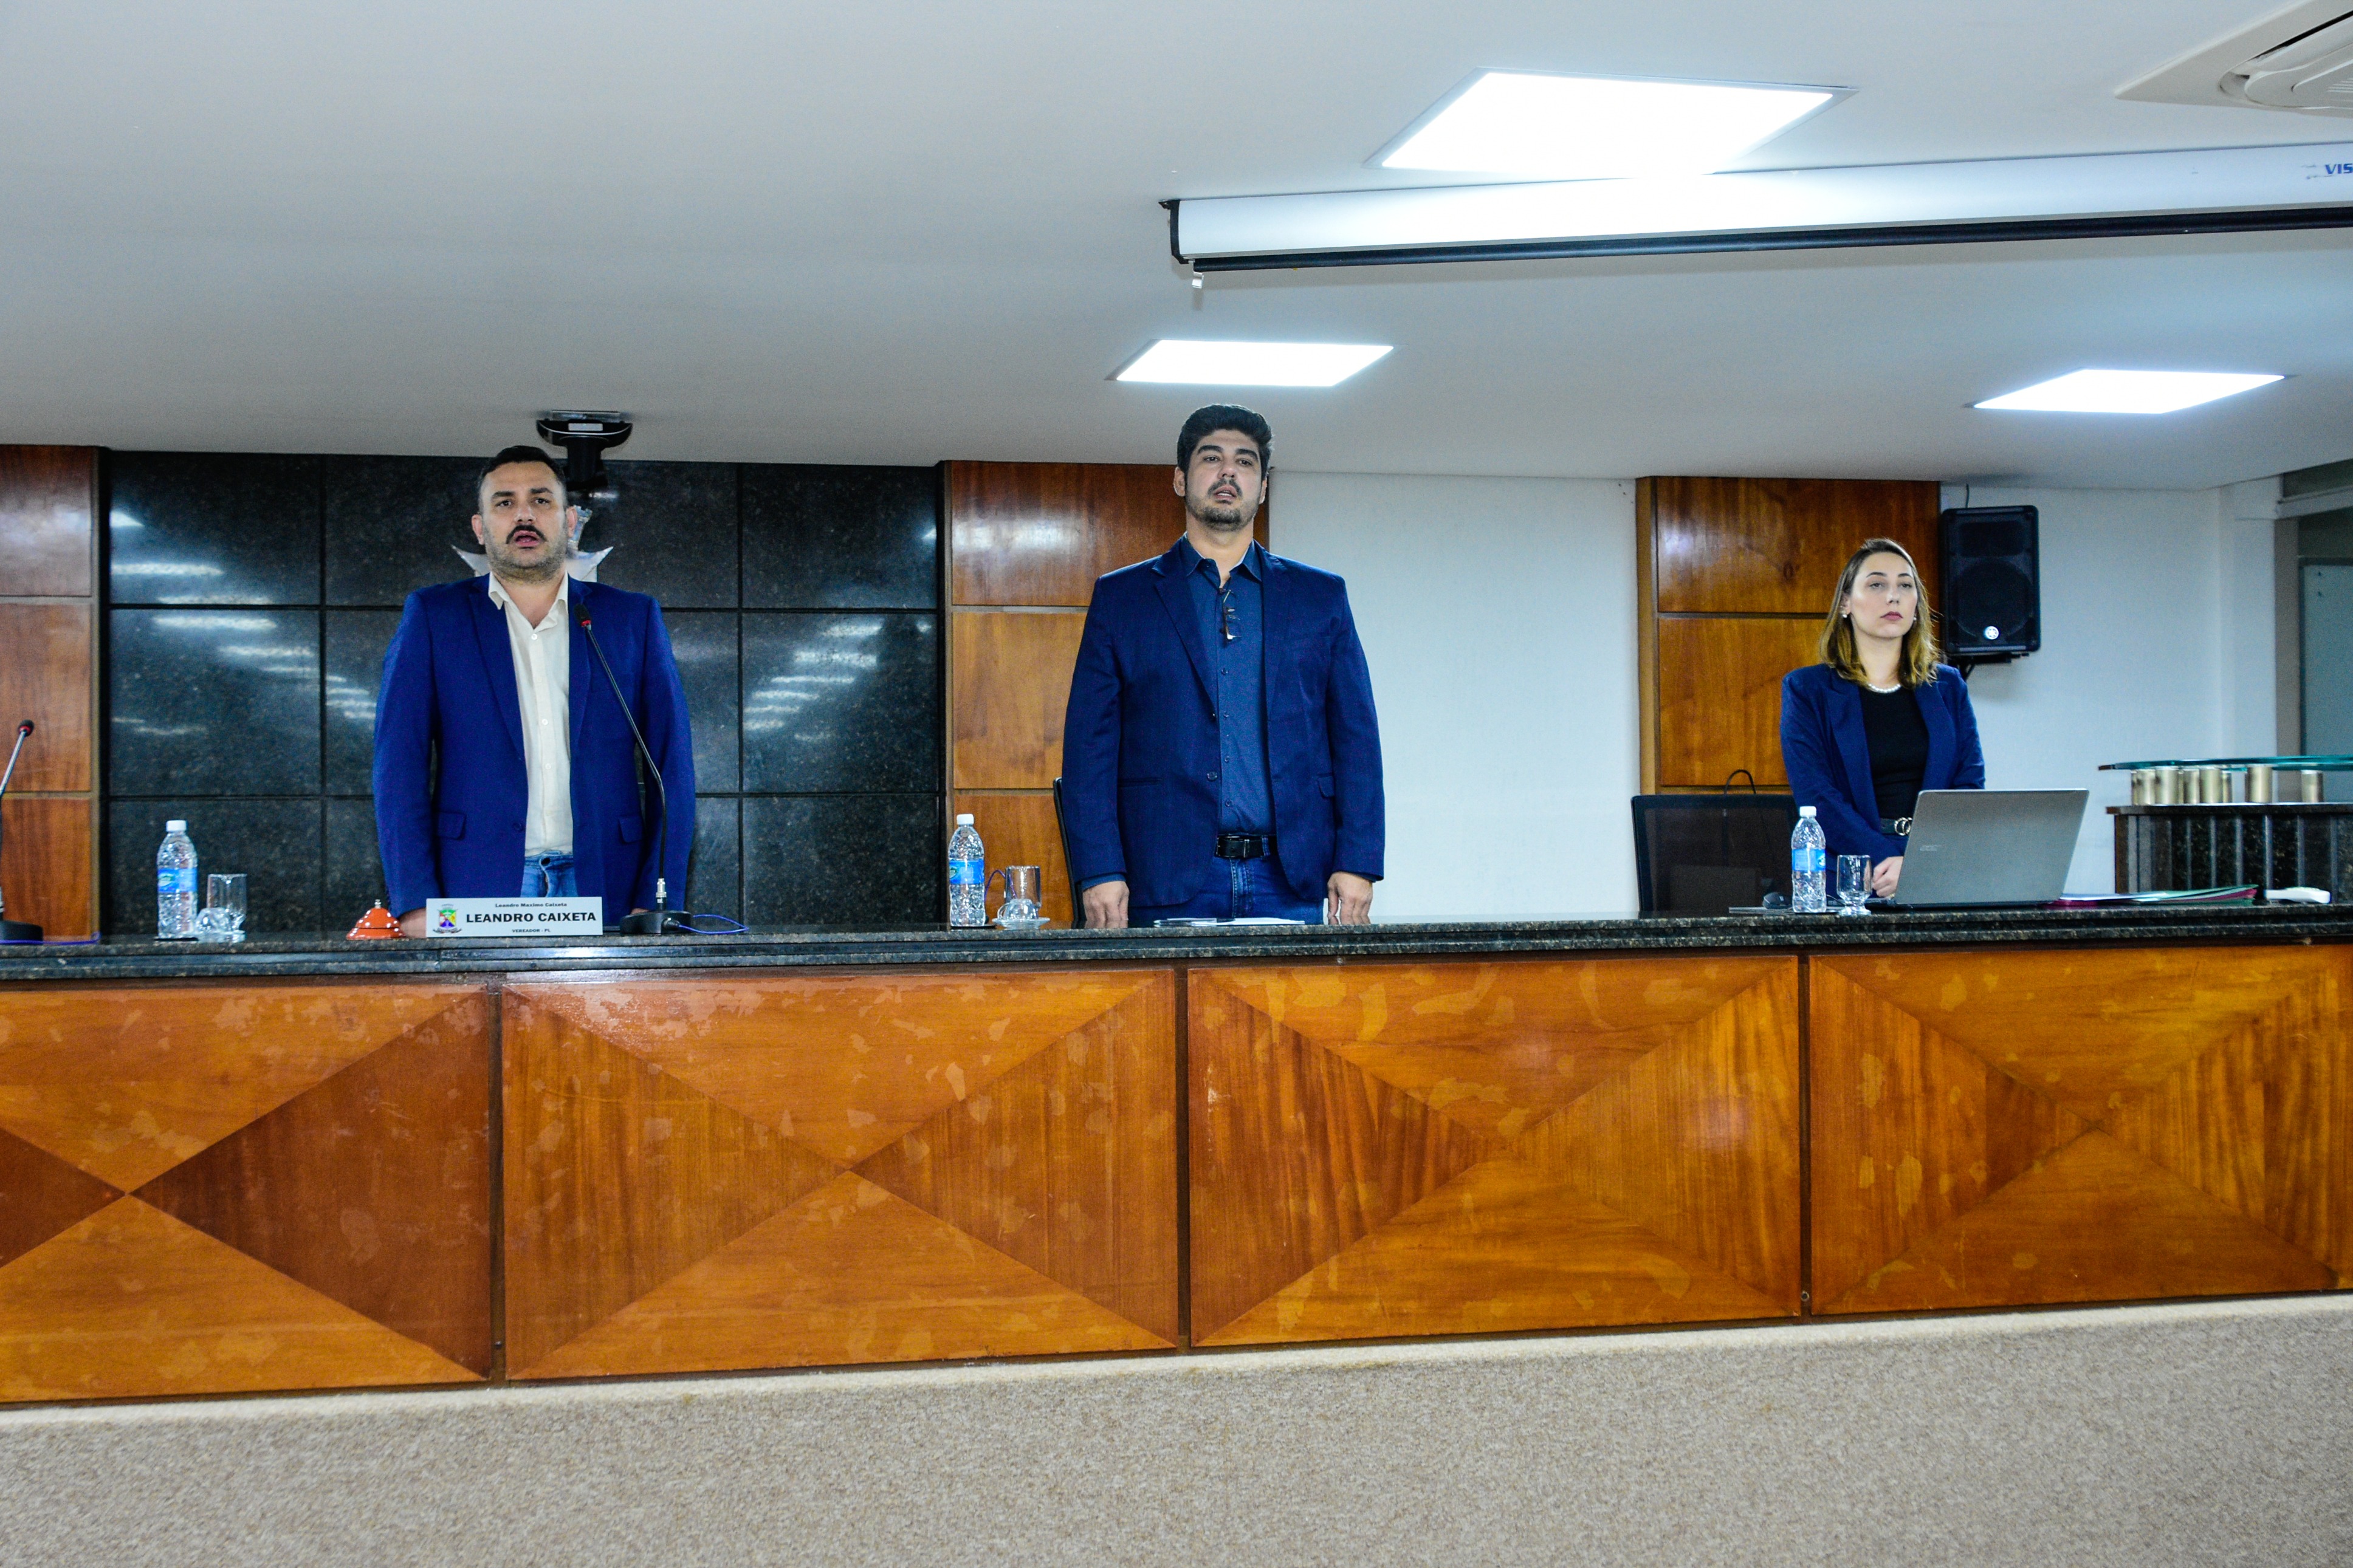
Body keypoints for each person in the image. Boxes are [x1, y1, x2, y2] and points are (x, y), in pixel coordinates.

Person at [1061, 404, 1384, 928]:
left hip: (1292, 877)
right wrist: (1098, 869)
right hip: (1162, 874)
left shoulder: (1320, 597)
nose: (1228, 472)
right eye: (1211, 458)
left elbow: (1356, 738)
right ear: (1180, 479)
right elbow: (1088, 748)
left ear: (1263, 486)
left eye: (1245, 462)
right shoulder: (1122, 599)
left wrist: (1358, 860)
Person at [374, 445, 695, 935]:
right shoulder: (434, 617)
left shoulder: (630, 619)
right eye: (505, 502)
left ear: (569, 520)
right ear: (480, 527)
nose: (524, 514)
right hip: (475, 883)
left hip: (609, 881)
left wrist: (656, 895)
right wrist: (416, 903)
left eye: (541, 500)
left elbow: (671, 765)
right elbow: (399, 765)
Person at [1779, 537, 1984, 899]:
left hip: (1936, 870)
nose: (1893, 597)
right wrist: (1884, 857)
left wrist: (1918, 861)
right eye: (1876, 585)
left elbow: (1968, 787)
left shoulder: (1948, 686)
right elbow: (1817, 795)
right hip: (1850, 873)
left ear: (1917, 605)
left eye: (1905, 586)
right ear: (1845, 603)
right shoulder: (1807, 689)